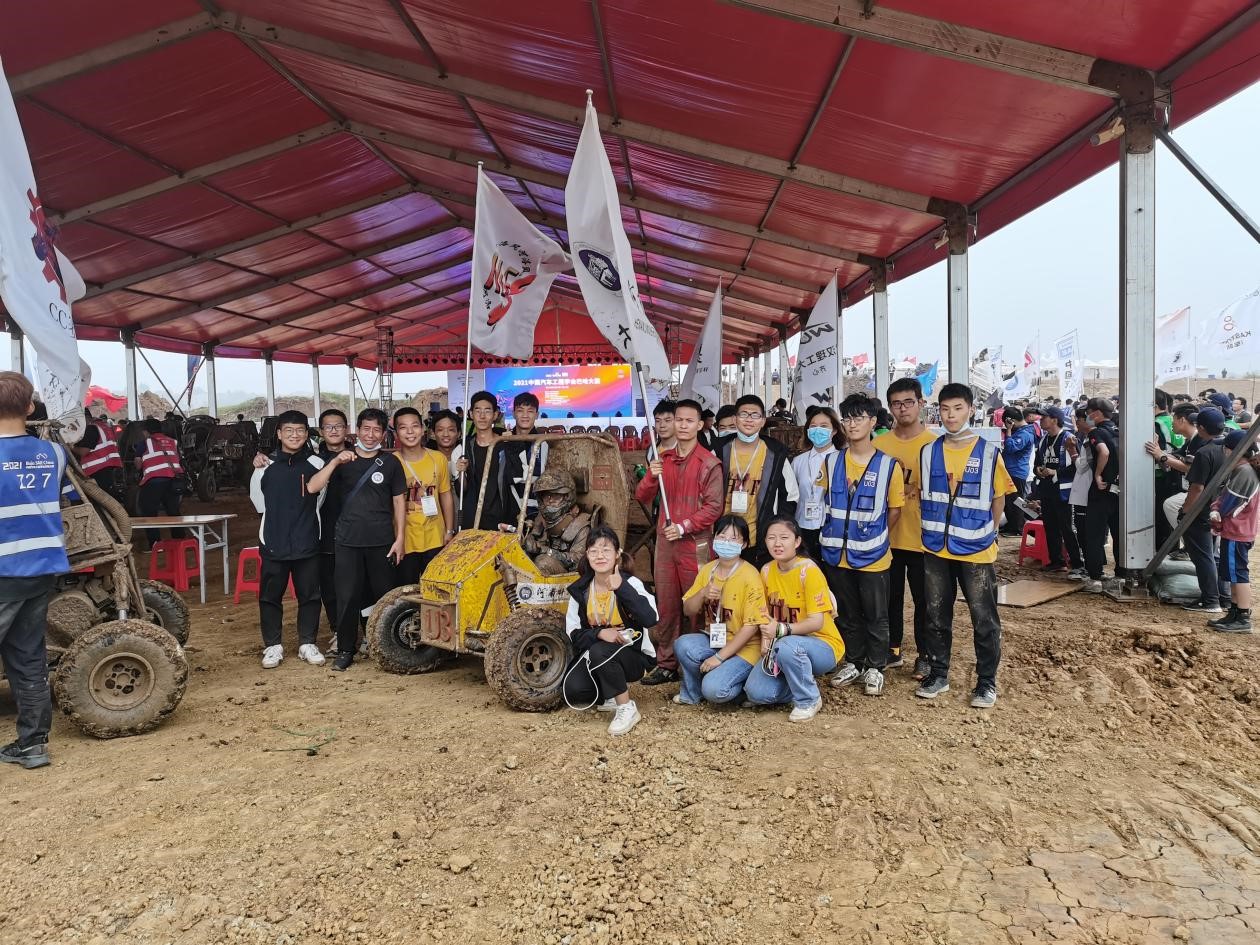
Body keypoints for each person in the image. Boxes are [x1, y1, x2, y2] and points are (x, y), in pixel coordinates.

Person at [916, 383, 1015, 709]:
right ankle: (938, 674)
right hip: (936, 548)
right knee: (935, 616)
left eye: (958, 408)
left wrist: (987, 533)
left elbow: (998, 499)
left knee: (984, 618)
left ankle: (986, 682)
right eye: (945, 409)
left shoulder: (988, 453)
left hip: (976, 549)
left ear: (970, 410)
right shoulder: (928, 452)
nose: (951, 415)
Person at [0, 372, 69, 769]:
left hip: (3, 570)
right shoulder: (54, 454)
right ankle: (32, 745)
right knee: (28, 658)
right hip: (42, 567)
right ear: (30, 407)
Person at [307, 408, 406, 671]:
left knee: (382, 597)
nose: (370, 435)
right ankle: (345, 649)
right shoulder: (343, 460)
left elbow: (399, 502)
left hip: (382, 540)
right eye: (366, 429)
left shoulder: (391, 463)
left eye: (376, 430)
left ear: (384, 434)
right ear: (357, 430)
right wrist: (334, 462)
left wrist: (400, 539)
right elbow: (313, 487)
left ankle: (384, 646)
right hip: (347, 541)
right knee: (347, 597)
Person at [635, 399, 725, 685]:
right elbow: (642, 496)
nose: (682, 425)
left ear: (700, 425)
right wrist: (652, 476)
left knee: (697, 604)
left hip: (695, 544)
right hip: (665, 544)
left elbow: (714, 508)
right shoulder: (663, 459)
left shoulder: (709, 463)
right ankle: (666, 663)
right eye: (679, 420)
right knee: (667, 603)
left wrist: (684, 526)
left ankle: (697, 663)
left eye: (689, 421)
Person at [819, 394, 904, 696]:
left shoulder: (888, 466)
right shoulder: (831, 462)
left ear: (873, 422)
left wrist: (871, 536)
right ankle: (854, 661)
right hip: (836, 554)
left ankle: (876, 666)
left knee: (876, 614)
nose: (852, 424)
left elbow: (894, 510)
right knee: (847, 613)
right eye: (847, 418)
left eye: (858, 418)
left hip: (873, 556)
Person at [743, 519, 844, 721]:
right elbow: (765, 614)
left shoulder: (809, 571)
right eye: (771, 538)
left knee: (788, 645)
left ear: (797, 541)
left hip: (822, 644)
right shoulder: (767, 570)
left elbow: (816, 622)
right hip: (782, 645)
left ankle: (808, 700)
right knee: (756, 693)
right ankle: (799, 683)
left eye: (784, 537)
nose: (777, 543)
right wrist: (765, 641)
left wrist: (781, 630)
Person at [561, 526, 658, 735]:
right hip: (598, 654)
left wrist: (622, 588)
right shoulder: (580, 590)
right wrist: (599, 633)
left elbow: (650, 618)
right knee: (575, 689)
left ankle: (626, 707)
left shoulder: (631, 583)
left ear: (617, 554)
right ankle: (612, 693)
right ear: (587, 555)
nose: (600, 556)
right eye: (594, 551)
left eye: (606, 550)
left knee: (600, 651)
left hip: (633, 656)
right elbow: (573, 633)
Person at [249, 410, 326, 669]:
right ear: (279, 434)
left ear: (307, 434)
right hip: (274, 542)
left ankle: (307, 643)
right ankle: (273, 646)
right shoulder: (264, 466)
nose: (295, 435)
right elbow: (259, 504)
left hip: (307, 541)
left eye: (300, 430)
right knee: (270, 597)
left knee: (310, 595)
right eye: (289, 431)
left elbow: (320, 500)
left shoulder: (317, 464)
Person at [873, 378, 938, 678]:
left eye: (909, 402)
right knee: (889, 599)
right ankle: (892, 648)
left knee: (926, 602)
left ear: (921, 403)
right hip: (887, 536)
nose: (903, 409)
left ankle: (925, 654)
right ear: (890, 407)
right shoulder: (878, 445)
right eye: (896, 403)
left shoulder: (935, 445)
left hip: (924, 539)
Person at [673, 516, 770, 705]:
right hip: (716, 640)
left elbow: (751, 627)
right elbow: (688, 610)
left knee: (714, 690)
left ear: (744, 544)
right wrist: (702, 593)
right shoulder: (708, 570)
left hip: (745, 648)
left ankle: (743, 688)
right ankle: (693, 694)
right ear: (714, 538)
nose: (726, 542)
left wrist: (718, 658)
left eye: (734, 538)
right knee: (683, 644)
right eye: (722, 536)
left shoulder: (750, 576)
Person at [714, 395, 798, 568]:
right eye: (743, 414)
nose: (749, 420)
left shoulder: (775, 453)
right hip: (722, 538)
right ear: (735, 419)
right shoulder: (719, 450)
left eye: (755, 415)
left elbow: (790, 496)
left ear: (763, 421)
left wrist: (775, 530)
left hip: (758, 540)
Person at [393, 407, 454, 585]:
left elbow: (445, 495)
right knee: (407, 590)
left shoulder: (438, 459)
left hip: (435, 537)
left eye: (414, 426)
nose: (410, 432)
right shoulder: (392, 462)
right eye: (403, 427)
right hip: (405, 540)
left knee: (436, 588)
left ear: (422, 429)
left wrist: (449, 531)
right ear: (396, 433)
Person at [1208, 430, 1259, 633]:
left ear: (1231, 451)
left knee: (1238, 573)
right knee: (1234, 573)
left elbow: (1230, 501)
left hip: (1237, 530)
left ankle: (1243, 617)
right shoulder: (1244, 469)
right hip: (1239, 530)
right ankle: (1235, 612)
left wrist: (1217, 514)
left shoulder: (1244, 471)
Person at [1179, 408, 1228, 615]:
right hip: (1219, 508)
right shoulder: (1226, 449)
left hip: (1201, 511)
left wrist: (1185, 511)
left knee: (1203, 556)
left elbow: (1197, 488)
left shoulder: (1204, 452)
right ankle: (1223, 597)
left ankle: (1210, 600)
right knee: (1213, 554)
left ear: (1200, 428)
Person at [1032, 407, 1083, 575]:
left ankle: (1077, 563)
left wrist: (1055, 472)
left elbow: (1078, 467)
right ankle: (1056, 561)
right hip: (1047, 489)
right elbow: (1036, 464)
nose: (1040, 420)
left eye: (1044, 417)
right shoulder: (1043, 440)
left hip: (1064, 492)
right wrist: (1038, 470)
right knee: (1050, 526)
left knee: (1067, 528)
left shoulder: (1069, 439)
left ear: (1054, 420)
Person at [315, 409, 350, 642]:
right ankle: (338, 630)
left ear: (346, 429)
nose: (334, 430)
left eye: (338, 426)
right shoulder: (313, 461)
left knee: (359, 584)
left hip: (355, 532)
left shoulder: (358, 457)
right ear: (321, 431)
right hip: (324, 532)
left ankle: (363, 631)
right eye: (328, 427)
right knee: (329, 585)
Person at [791, 406, 841, 561]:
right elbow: (791, 495)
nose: (817, 430)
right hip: (803, 526)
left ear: (834, 430)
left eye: (824, 426)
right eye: (813, 426)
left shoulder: (842, 460)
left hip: (832, 527)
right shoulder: (798, 461)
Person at [1082, 397, 1121, 592]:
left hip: (1102, 489)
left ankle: (1095, 577)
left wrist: (1098, 474)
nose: (1087, 416)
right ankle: (1121, 575)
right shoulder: (1120, 430)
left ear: (1096, 413)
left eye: (1088, 413)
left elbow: (1103, 452)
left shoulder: (1096, 432)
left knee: (1094, 534)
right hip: (1120, 489)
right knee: (1118, 533)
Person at [520, 471, 592, 575]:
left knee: (543, 562)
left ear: (567, 496)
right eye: (546, 495)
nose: (550, 500)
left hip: (569, 575)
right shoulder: (541, 518)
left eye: (556, 495)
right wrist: (530, 542)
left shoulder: (581, 525)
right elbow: (537, 540)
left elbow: (577, 561)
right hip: (541, 571)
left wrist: (546, 551)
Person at [453, 391, 506, 531]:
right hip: (473, 521)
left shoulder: (505, 445)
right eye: (478, 411)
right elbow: (461, 490)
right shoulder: (463, 448)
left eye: (487, 411)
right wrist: (461, 473)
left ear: (495, 415)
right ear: (471, 414)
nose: (482, 416)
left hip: (501, 519)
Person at [135, 417, 186, 549]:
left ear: (146, 431)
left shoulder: (144, 443)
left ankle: (155, 544)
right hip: (173, 479)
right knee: (173, 510)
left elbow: (138, 465)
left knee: (149, 511)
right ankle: (180, 542)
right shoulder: (173, 441)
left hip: (154, 480)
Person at [500, 392, 548, 526]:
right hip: (507, 511)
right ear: (514, 413)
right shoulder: (502, 442)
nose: (525, 415)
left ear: (537, 415)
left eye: (530, 411)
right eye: (520, 410)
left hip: (536, 514)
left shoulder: (545, 443)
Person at [1149, 389, 1185, 555]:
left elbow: (1157, 451)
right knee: (1170, 518)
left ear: (1154, 405)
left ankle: (1162, 555)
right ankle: (1171, 550)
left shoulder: (1156, 424)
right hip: (1177, 475)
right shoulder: (1172, 420)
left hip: (1161, 475)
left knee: (1161, 519)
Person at [999, 408, 1037, 536]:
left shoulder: (1025, 434)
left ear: (1012, 421)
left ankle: (1017, 528)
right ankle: (1011, 525)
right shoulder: (1021, 431)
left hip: (1017, 472)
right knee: (1009, 502)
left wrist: (1009, 431)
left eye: (1007, 423)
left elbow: (1011, 447)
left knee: (1016, 501)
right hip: (1011, 470)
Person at [74, 408, 124, 499]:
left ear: (85, 417)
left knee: (103, 499)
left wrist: (71, 446)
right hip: (111, 466)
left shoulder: (91, 429)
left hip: (99, 470)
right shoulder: (104, 426)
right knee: (111, 498)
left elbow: (83, 451)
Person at [429, 409, 462, 490]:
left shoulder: (466, 457)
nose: (446, 434)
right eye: (440, 430)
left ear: (459, 433)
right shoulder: (427, 459)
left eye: (451, 430)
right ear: (433, 433)